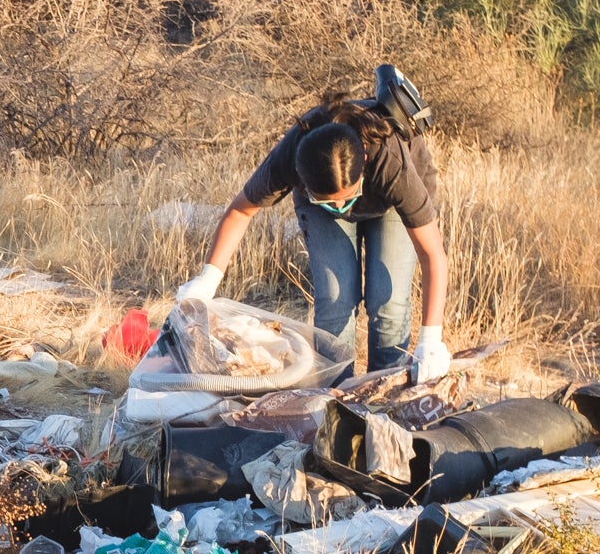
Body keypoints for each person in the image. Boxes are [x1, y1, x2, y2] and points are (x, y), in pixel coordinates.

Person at [180, 93, 452, 381]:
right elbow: (240, 212)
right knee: (335, 298)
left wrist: (431, 341)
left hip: (389, 206)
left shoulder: (390, 161)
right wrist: (206, 281)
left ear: (366, 161)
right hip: (316, 203)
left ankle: (384, 394)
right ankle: (336, 398)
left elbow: (432, 255)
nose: (339, 208)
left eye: (344, 200)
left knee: (390, 303)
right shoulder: (290, 158)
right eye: (330, 201)